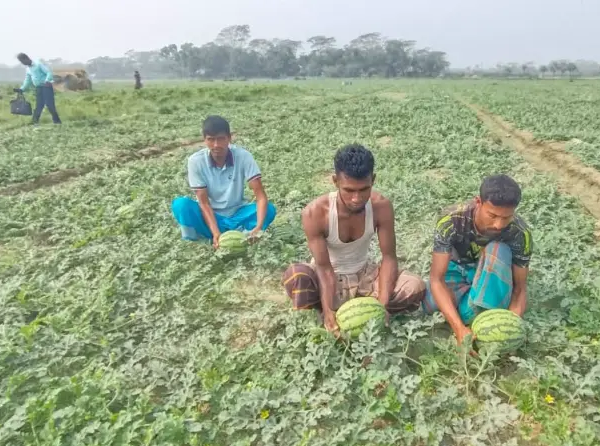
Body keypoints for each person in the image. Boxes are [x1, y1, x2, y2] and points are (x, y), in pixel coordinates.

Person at [283, 144, 426, 334]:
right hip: (328, 278)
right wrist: (328, 308)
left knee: (415, 286)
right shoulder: (315, 213)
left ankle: (363, 311)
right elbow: (324, 268)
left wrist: (381, 306)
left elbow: (389, 258)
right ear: (335, 181)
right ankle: (328, 313)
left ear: (373, 180)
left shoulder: (380, 207)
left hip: (364, 275)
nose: (356, 199)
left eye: (364, 189)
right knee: (296, 276)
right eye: (349, 190)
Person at [422, 174, 533, 346]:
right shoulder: (451, 220)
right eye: (492, 215)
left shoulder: (519, 233)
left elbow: (520, 289)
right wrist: (459, 329)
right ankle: (471, 314)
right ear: (478, 202)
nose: (499, 225)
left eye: (506, 217)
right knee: (429, 303)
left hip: (492, 277)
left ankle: (482, 313)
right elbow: (437, 279)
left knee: (498, 249)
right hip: (457, 269)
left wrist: (509, 328)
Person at [171, 115, 276, 248]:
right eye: (211, 140)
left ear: (229, 138)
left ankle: (248, 234)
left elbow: (260, 196)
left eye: (221, 139)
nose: (216, 145)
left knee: (269, 209)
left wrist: (259, 227)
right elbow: (204, 203)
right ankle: (199, 239)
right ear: (204, 140)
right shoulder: (195, 161)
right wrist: (216, 232)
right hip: (212, 217)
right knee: (181, 205)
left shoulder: (243, 156)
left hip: (238, 213)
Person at [13, 53, 61, 125]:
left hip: (46, 86)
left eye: (22, 61)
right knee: (39, 105)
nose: (23, 63)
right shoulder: (28, 69)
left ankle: (57, 121)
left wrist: (47, 80)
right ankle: (34, 122)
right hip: (38, 87)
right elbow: (27, 80)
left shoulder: (38, 64)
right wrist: (22, 89)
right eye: (21, 62)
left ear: (26, 58)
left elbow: (48, 72)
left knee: (49, 104)